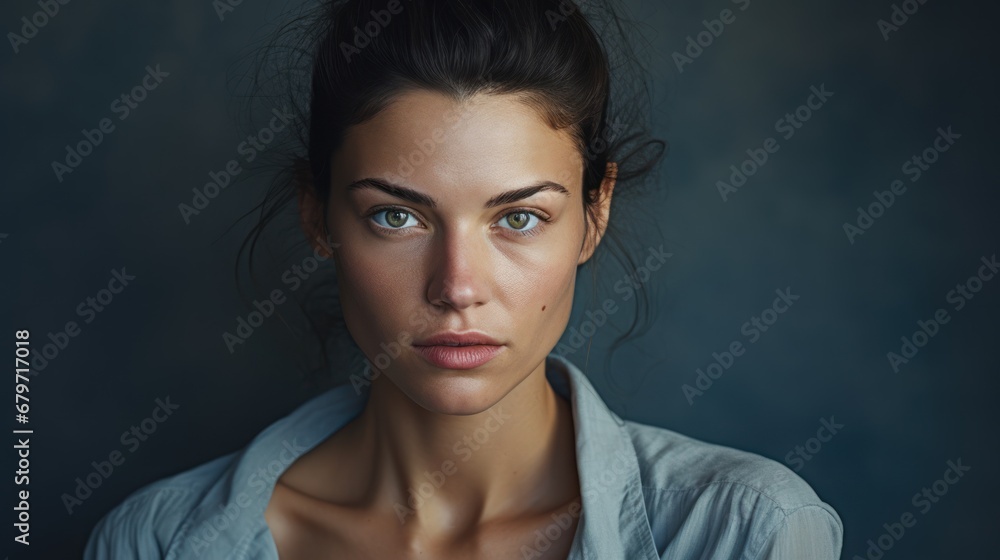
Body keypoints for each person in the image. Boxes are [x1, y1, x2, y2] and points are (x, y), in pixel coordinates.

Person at [84, 0, 842, 558]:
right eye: (396, 217)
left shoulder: (748, 532)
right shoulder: (154, 542)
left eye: (518, 218)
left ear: (594, 212)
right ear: (318, 218)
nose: (457, 286)